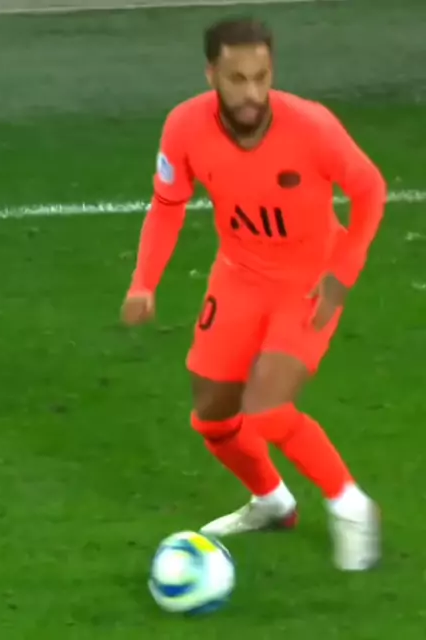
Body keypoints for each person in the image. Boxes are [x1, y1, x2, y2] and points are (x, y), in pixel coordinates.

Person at [121, 18, 386, 571]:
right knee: (213, 418)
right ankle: (272, 501)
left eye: (261, 77)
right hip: (239, 277)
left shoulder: (311, 126)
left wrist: (341, 275)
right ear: (211, 74)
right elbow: (168, 204)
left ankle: (351, 505)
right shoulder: (185, 126)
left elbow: (370, 191)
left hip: (308, 281)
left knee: (266, 407)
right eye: (237, 79)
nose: (251, 93)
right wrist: (144, 281)